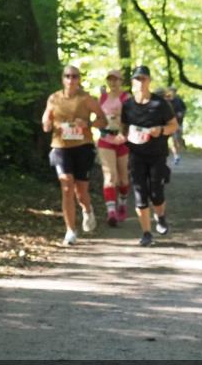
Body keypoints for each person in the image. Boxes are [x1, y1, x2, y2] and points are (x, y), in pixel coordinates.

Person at [41, 65, 107, 245]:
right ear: (63, 79)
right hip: (60, 147)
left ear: (79, 79)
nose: (71, 80)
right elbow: (46, 120)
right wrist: (47, 122)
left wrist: (88, 124)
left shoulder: (86, 99)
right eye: (67, 76)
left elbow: (103, 120)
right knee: (67, 186)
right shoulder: (54, 98)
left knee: (81, 191)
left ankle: (87, 210)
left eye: (75, 77)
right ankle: (70, 231)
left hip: (82, 146)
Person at [121, 66, 179, 247]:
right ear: (132, 82)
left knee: (156, 194)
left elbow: (173, 126)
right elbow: (124, 128)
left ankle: (160, 217)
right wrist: (120, 138)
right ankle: (146, 233)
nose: (140, 82)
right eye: (137, 79)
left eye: (144, 79)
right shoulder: (128, 105)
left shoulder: (160, 104)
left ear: (149, 81)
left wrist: (160, 130)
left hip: (157, 155)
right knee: (140, 194)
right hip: (136, 155)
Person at [97, 69, 132, 226]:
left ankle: (122, 204)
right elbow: (98, 118)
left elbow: (132, 118)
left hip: (123, 140)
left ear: (121, 81)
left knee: (123, 180)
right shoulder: (103, 97)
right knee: (110, 177)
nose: (113, 82)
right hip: (106, 139)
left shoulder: (127, 97)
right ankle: (111, 212)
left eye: (116, 79)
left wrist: (122, 127)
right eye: (110, 79)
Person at [164, 88, 188, 164]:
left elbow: (184, 109)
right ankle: (174, 155)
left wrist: (181, 113)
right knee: (169, 140)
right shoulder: (166, 100)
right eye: (171, 91)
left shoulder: (178, 100)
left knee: (176, 140)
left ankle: (177, 154)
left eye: (174, 91)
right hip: (167, 124)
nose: (172, 93)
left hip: (178, 123)